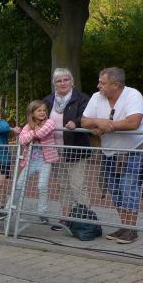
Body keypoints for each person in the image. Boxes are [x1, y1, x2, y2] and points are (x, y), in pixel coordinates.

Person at [81, 67, 143, 244]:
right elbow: (84, 121)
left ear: (115, 84)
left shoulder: (133, 95)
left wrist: (108, 126)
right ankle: (124, 226)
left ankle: (131, 229)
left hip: (131, 151)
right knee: (115, 191)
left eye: (102, 83)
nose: (98, 85)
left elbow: (134, 122)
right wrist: (99, 122)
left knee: (128, 189)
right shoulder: (96, 97)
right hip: (108, 152)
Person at [42, 68, 92, 221]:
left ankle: (84, 220)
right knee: (62, 184)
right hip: (55, 149)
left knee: (77, 185)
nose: (63, 83)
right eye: (59, 81)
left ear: (72, 81)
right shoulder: (48, 100)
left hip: (75, 148)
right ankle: (66, 218)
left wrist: (76, 122)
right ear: (54, 84)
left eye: (66, 80)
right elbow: (39, 116)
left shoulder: (82, 98)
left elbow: (87, 116)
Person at [15, 100, 59, 223]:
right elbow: (22, 140)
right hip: (30, 160)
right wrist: (33, 132)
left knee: (42, 186)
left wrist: (32, 133)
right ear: (32, 113)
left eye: (44, 110)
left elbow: (41, 133)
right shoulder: (27, 126)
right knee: (19, 184)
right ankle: (9, 208)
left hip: (45, 160)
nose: (42, 112)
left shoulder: (49, 122)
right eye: (39, 110)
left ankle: (42, 212)